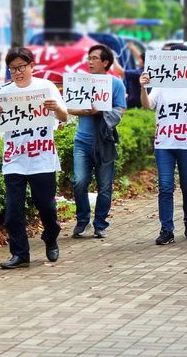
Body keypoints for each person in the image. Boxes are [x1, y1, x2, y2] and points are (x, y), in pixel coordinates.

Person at [0, 47, 69, 269]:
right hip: (14, 159)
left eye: (21, 67)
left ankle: (51, 237)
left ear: (31, 66)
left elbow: (64, 117)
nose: (17, 72)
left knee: (46, 207)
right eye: (13, 69)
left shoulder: (46, 87)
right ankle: (20, 254)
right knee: (14, 210)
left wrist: (56, 109)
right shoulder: (5, 92)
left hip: (41, 158)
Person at [68, 44, 127, 239]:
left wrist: (101, 110)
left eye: (94, 58)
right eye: (89, 58)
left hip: (105, 142)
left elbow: (120, 112)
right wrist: (85, 110)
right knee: (79, 181)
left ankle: (100, 223)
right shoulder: (80, 81)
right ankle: (82, 220)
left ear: (105, 62)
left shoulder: (116, 83)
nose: (90, 62)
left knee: (104, 186)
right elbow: (68, 107)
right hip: (82, 141)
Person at [140, 67, 187, 245]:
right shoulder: (160, 85)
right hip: (164, 144)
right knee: (165, 187)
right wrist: (143, 87)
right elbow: (147, 104)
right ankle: (166, 229)